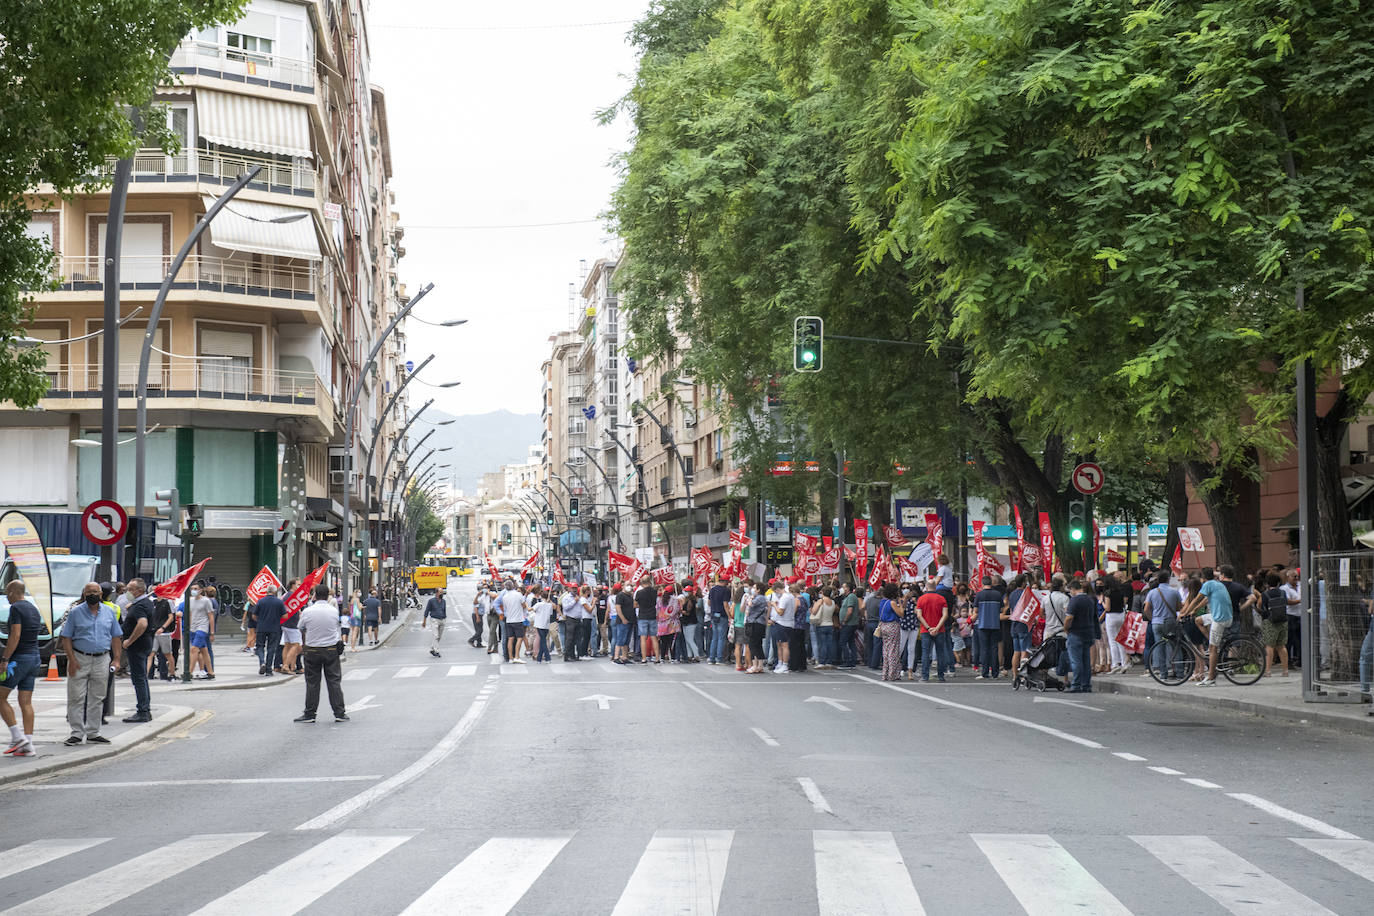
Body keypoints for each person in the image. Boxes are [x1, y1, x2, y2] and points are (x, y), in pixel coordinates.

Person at [59, 583, 122, 745]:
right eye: (89, 592)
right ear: (84, 594)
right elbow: (66, 638)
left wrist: (116, 659)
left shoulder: (109, 612)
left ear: (101, 594)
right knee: (76, 697)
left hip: (102, 658)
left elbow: (116, 637)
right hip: (80, 658)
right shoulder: (75, 612)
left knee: (98, 696)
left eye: (95, 592)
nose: (92, 595)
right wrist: (71, 660)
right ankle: (77, 732)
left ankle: (93, 732)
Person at [0, 582, 43, 756]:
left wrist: (5, 659)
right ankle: (29, 744)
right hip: (35, 658)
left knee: (0, 697)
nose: (6, 596)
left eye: (7, 593)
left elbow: (15, 634)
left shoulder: (16, 608)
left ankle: (17, 737)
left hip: (19, 659)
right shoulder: (34, 609)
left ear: (12, 592)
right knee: (25, 701)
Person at [295, 584, 347, 723]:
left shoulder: (308, 611)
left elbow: (300, 627)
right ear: (328, 596)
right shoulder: (333, 611)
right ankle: (339, 713)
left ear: (315, 595)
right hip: (331, 649)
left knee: (312, 683)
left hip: (312, 649)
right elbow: (337, 627)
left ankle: (310, 713)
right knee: (334, 682)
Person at [1182, 567, 1234, 687]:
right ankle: (1211, 641)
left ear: (1203, 578)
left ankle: (1211, 678)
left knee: (1213, 649)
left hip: (1219, 619)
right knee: (1198, 620)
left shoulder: (1207, 584)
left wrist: (1185, 613)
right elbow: (1205, 600)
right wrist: (1194, 610)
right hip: (1225, 616)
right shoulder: (1217, 584)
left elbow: (1195, 600)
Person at [119, 579, 154, 723]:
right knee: (141, 678)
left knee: (139, 679)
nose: (127, 592)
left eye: (130, 589)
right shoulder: (145, 603)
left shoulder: (140, 605)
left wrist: (129, 641)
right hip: (145, 644)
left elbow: (142, 623)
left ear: (138, 591)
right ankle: (144, 709)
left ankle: (143, 711)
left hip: (137, 645)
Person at [1063, 578, 1100, 693]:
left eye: (1070, 591)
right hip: (1088, 633)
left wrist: (1066, 628)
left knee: (1076, 661)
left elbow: (1069, 618)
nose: (1070, 593)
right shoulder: (1090, 600)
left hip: (1076, 633)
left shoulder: (1074, 601)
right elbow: (1095, 617)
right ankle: (1086, 685)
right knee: (1086, 661)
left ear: (1073, 589)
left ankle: (1076, 684)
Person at [973, 576, 1006, 680]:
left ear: (982, 583)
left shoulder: (979, 595)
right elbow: (1001, 609)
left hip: (982, 625)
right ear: (991, 583)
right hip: (995, 624)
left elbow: (976, 611)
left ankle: (985, 672)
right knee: (994, 648)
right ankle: (995, 673)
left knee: (984, 649)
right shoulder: (997, 594)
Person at [916, 584, 950, 682]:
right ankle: (941, 675)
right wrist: (937, 627)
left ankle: (925, 676)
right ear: (935, 587)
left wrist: (928, 627)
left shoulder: (921, 599)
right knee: (940, 653)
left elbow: (919, 615)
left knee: (926, 653)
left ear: (927, 587)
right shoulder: (941, 599)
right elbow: (945, 615)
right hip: (940, 630)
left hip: (925, 630)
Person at [1259, 573, 1291, 676]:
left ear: (1267, 584)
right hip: (1283, 620)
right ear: (1278, 583)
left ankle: (1268, 671)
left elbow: (1261, 607)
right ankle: (1285, 670)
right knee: (1281, 646)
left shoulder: (1265, 594)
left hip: (1269, 622)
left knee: (1269, 646)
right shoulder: (1283, 593)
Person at [185, 585, 215, 680]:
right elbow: (190, 614)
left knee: (194, 649)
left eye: (195, 589)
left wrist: (212, 632)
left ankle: (189, 672)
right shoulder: (190, 600)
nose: (193, 591)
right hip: (192, 628)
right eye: (192, 589)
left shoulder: (206, 601)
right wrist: (189, 627)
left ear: (201, 590)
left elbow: (211, 616)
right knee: (204, 650)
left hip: (202, 628)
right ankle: (210, 672)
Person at [255, 585, 286, 676]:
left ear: (266, 591)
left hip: (261, 627)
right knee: (271, 648)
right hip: (274, 628)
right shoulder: (279, 602)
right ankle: (268, 670)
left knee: (260, 646)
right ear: (275, 592)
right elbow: (285, 616)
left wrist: (260, 620)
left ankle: (262, 662)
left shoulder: (260, 601)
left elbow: (254, 615)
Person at [878, 584, 903, 681]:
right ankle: (892, 674)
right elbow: (901, 614)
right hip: (892, 625)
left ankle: (885, 673)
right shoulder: (892, 603)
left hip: (884, 626)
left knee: (886, 649)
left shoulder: (882, 602)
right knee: (893, 650)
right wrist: (900, 604)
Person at [895, 586, 921, 680]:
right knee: (900, 648)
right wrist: (905, 599)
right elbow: (903, 609)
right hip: (903, 626)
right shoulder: (900, 601)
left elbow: (918, 612)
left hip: (913, 626)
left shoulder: (915, 602)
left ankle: (910, 671)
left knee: (911, 649)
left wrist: (916, 602)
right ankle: (896, 669)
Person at [499, 581, 528, 663]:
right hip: (518, 620)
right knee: (519, 638)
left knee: (510, 639)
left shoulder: (505, 597)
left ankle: (511, 658)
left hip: (509, 620)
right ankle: (517, 656)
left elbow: (505, 608)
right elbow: (524, 605)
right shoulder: (518, 595)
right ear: (513, 586)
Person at [150, 593, 176, 681]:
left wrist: (163, 627)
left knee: (167, 653)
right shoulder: (152, 602)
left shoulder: (167, 602)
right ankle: (146, 674)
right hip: (154, 631)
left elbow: (171, 617)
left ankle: (172, 673)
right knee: (151, 653)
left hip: (164, 632)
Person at [810, 586, 838, 669]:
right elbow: (836, 610)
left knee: (822, 644)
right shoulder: (833, 602)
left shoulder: (821, 601)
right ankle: (829, 661)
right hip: (830, 624)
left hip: (821, 624)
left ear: (822, 592)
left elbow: (814, 612)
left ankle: (822, 661)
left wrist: (813, 608)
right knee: (829, 644)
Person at [707, 575, 732, 665]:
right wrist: (730, 616)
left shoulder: (712, 590)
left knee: (715, 637)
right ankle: (719, 658)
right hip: (722, 615)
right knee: (721, 638)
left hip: (714, 616)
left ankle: (712, 658)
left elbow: (709, 603)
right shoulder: (726, 590)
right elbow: (726, 604)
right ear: (725, 582)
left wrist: (714, 608)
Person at [634, 580, 659, 664]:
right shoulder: (654, 592)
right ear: (650, 582)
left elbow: (635, 604)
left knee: (643, 638)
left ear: (642, 583)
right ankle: (657, 658)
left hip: (642, 616)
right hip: (652, 615)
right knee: (654, 637)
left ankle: (644, 658)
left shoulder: (639, 592)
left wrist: (640, 605)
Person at [837, 583, 860, 668]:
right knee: (851, 642)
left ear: (847, 588)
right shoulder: (847, 597)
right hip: (849, 623)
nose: (842, 589)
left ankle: (847, 660)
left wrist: (844, 620)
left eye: (843, 587)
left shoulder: (851, 597)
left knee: (843, 642)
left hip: (849, 623)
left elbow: (850, 610)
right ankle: (852, 660)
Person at [657, 584, 682, 662]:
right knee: (672, 642)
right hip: (672, 624)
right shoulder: (675, 600)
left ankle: (662, 657)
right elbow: (678, 610)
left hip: (662, 624)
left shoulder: (659, 600)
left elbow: (657, 611)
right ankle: (673, 657)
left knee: (663, 642)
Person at [529, 588, 555, 662]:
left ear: (541, 596)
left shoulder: (538, 604)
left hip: (539, 624)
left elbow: (531, 610)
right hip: (546, 624)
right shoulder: (550, 605)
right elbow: (550, 613)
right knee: (543, 640)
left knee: (542, 640)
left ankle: (547, 657)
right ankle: (539, 658)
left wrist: (526, 605)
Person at [611, 584, 634, 665]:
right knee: (620, 638)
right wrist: (623, 618)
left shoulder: (630, 596)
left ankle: (624, 657)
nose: (629, 586)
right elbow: (618, 608)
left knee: (626, 640)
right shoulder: (620, 595)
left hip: (630, 620)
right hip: (622, 621)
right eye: (628, 585)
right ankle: (616, 657)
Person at [422, 586, 447, 658]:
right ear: (436, 593)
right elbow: (426, 611)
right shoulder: (431, 601)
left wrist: (445, 618)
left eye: (442, 592)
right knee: (435, 635)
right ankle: (437, 651)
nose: (442, 593)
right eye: (440, 592)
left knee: (439, 636)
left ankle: (432, 648)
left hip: (442, 620)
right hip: (434, 620)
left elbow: (444, 610)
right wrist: (424, 621)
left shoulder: (444, 601)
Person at [863, 586, 883, 669]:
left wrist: (867, 619)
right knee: (877, 645)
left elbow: (865, 610)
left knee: (869, 644)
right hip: (877, 624)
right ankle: (875, 663)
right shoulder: (881, 602)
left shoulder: (869, 600)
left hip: (869, 623)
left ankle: (870, 662)